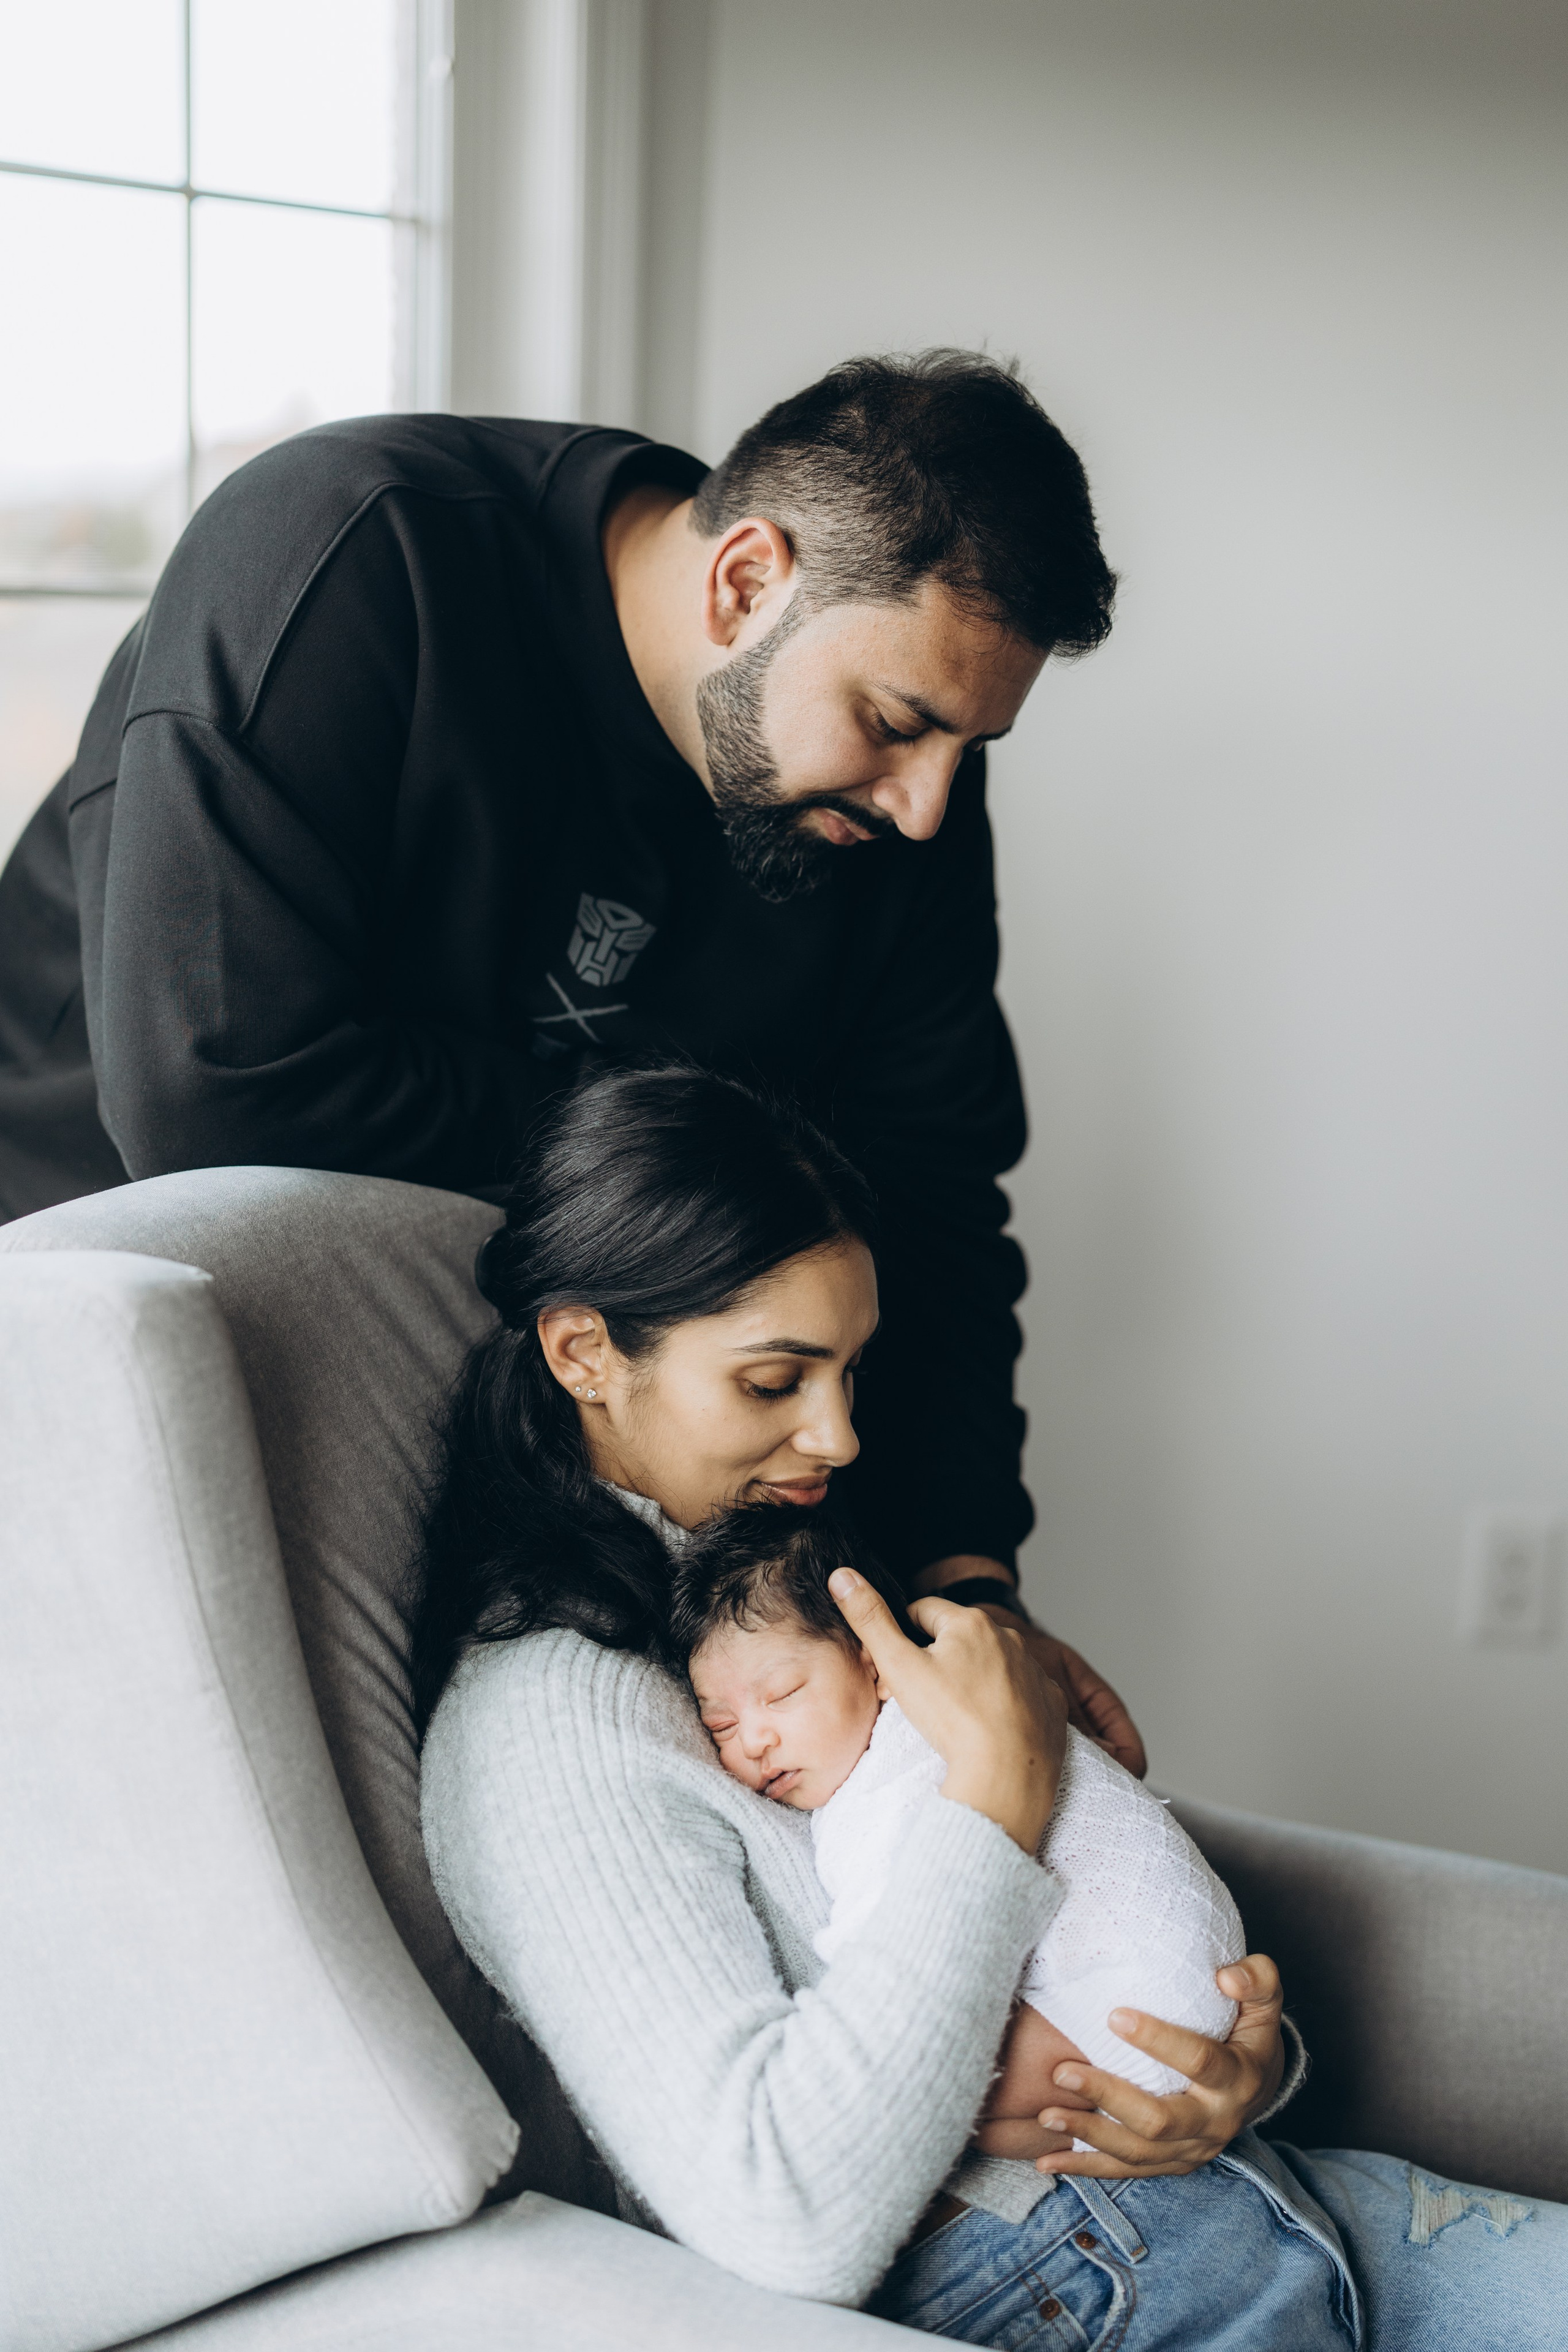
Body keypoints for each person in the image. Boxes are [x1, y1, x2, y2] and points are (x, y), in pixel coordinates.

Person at [0, 348, 1133, 1763]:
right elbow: (219, 1081)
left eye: (968, 748)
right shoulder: (356, 555)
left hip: (551, 1429)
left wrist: (966, 1569)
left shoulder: (891, 804)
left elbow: (926, 1185)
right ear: (743, 581)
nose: (923, 810)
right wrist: (686, 1163)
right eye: (898, 724)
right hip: (100, 1340)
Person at [417, 1063, 1568, 2348]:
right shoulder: (548, 1728)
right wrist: (996, 1798)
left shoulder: (803, 1599)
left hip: (1264, 2198)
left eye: (849, 1374)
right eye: (772, 1382)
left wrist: (1227, 2071)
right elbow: (783, 2214)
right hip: (1091, 2281)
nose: (838, 1435)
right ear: (583, 1352)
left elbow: (1085, 1908)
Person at [670, 1505, 1245, 2135]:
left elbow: (887, 1980)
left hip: (1139, 2002)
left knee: (930, 2106)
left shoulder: (893, 1777)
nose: (753, 1740)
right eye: (720, 1725)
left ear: (876, 1663)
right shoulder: (939, 1721)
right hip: (1198, 1979)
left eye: (781, 1695)